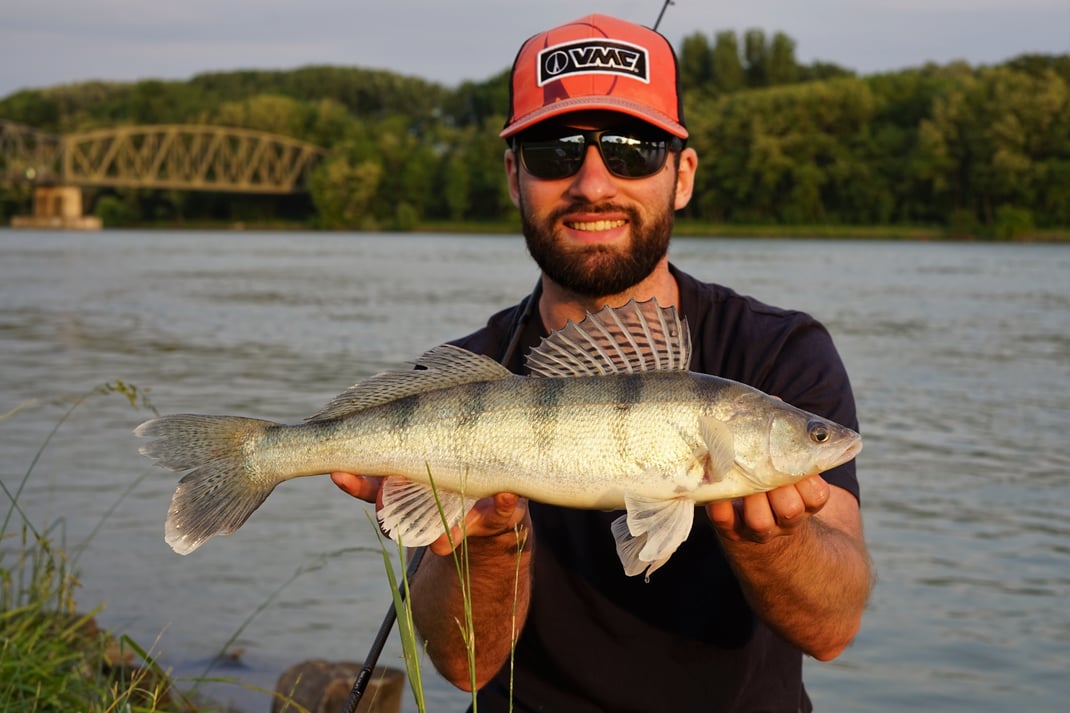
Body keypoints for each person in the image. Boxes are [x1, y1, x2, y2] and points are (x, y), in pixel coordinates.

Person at [332, 13, 872, 712]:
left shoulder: (777, 352)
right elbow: (464, 666)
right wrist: (492, 539)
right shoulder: (471, 370)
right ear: (513, 175)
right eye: (556, 151)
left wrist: (774, 540)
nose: (593, 182)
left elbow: (833, 629)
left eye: (633, 149)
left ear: (682, 175)